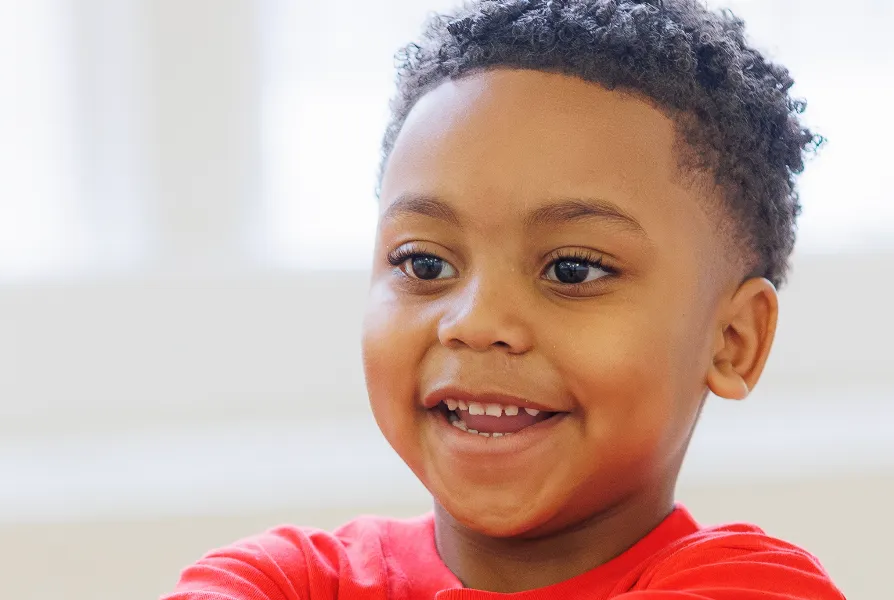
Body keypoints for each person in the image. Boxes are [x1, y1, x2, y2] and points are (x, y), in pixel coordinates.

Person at [168, 1, 839, 597]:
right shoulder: (279, 579)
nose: (477, 322)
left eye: (573, 270)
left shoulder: (756, 589)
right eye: (424, 262)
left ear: (731, 342)